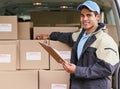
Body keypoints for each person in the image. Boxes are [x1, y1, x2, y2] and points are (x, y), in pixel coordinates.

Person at [36, 1, 119, 89]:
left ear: (98, 17)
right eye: (82, 15)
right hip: (78, 85)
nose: (85, 19)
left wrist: (76, 70)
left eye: (89, 15)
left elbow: (106, 69)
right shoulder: (81, 36)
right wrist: (49, 36)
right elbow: (67, 37)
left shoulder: (105, 40)